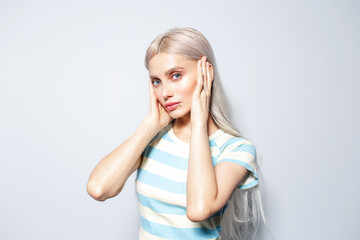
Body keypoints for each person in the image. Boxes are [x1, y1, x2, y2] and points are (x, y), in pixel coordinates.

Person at [87, 27, 265, 240]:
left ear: (206, 72)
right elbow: (99, 188)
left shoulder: (235, 149)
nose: (165, 93)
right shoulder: (152, 138)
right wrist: (150, 124)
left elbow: (199, 210)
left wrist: (199, 123)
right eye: (156, 81)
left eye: (176, 75)